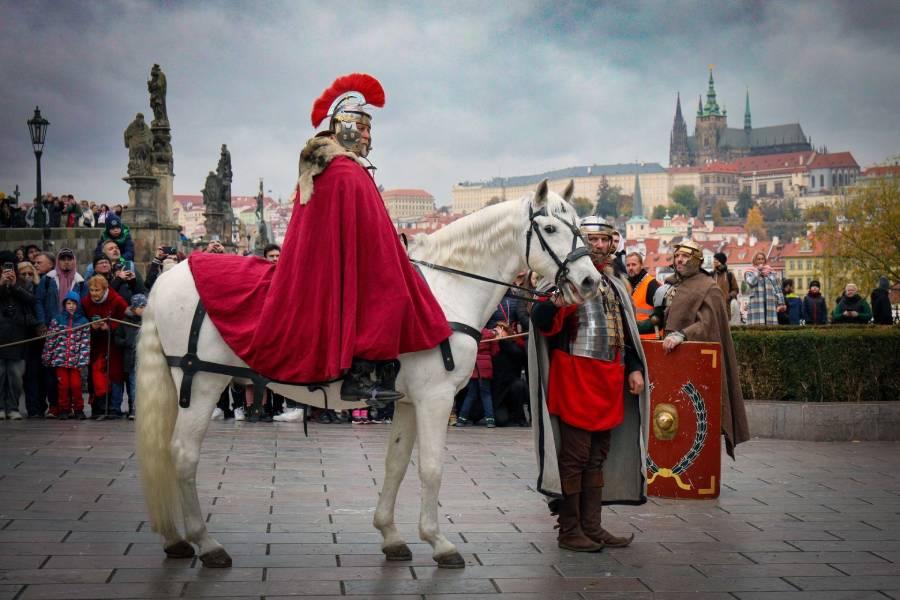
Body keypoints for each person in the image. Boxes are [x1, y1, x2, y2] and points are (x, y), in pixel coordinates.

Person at [188, 73, 450, 404]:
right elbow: (367, 237)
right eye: (363, 127)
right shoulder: (343, 170)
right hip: (327, 271)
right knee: (391, 294)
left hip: (330, 264)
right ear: (346, 127)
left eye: (370, 128)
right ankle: (362, 376)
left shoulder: (339, 167)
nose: (368, 135)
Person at [531, 215, 648, 553]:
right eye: (593, 240)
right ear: (581, 241)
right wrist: (554, 299)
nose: (600, 246)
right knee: (575, 457)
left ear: (614, 244)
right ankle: (569, 530)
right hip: (576, 378)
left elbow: (626, 333)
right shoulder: (567, 281)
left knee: (597, 457)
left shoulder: (615, 285)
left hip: (609, 378)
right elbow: (543, 323)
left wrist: (635, 367)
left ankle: (592, 527)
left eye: (606, 240)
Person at [656, 239, 749, 458]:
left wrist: (683, 334)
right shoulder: (671, 285)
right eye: (677, 255)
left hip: (697, 364)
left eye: (685, 256)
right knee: (671, 417)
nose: (679, 259)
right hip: (671, 362)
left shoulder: (709, 287)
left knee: (697, 416)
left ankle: (700, 465)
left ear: (697, 260)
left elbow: (709, 325)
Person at [80, 276, 128, 419]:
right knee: (97, 375)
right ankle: (99, 407)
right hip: (96, 344)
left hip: (114, 343)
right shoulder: (86, 302)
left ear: (105, 289)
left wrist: (110, 326)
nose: (94, 293)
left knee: (115, 375)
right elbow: (83, 320)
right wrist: (92, 326)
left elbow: (126, 320)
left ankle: (114, 408)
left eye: (97, 290)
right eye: (92, 290)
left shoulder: (117, 300)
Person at [42, 292, 90, 420]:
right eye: (68, 303)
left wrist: (83, 359)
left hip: (75, 362)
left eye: (74, 303)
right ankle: (64, 409)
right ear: (64, 304)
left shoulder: (83, 321)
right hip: (60, 360)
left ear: (78, 305)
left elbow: (85, 342)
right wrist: (48, 356)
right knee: (63, 385)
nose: (71, 306)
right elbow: (51, 340)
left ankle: (79, 409)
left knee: (76, 385)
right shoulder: (57, 320)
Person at [0, 261, 37, 420]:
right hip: (1, 336)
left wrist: (14, 286)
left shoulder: (23, 283)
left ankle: (13, 407)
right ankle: (1, 407)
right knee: (0, 375)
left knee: (15, 377)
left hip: (18, 337)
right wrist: (1, 285)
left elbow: (31, 300)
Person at [455, 327, 500, 428]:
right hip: (485, 366)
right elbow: (495, 352)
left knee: (471, 394)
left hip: (473, 366)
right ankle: (490, 420)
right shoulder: (490, 334)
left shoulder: (470, 333)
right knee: (486, 394)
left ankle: (462, 419)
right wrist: (496, 339)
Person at [114, 293, 145, 420]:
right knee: (133, 386)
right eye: (142, 306)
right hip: (131, 360)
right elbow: (117, 338)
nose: (144, 309)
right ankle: (134, 408)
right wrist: (126, 342)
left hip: (145, 360)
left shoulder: (149, 321)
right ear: (134, 307)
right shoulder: (125, 322)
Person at [625, 252, 660, 340]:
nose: (630, 268)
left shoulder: (651, 284)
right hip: (633, 337)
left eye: (634, 265)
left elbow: (660, 315)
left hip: (649, 338)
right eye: (628, 265)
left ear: (641, 265)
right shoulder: (626, 284)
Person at [744, 251, 785, 325]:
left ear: (765, 260)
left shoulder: (771, 272)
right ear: (755, 260)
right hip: (756, 301)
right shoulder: (750, 271)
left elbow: (777, 288)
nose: (760, 261)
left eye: (762, 259)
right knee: (756, 325)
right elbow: (750, 283)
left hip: (770, 301)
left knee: (770, 326)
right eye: (758, 259)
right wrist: (758, 272)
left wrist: (781, 303)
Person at [711, 252, 739, 321]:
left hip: (727, 306)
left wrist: (729, 296)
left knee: (727, 326)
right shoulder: (711, 274)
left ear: (721, 261)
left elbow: (736, 289)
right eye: (714, 259)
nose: (714, 261)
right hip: (714, 305)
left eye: (716, 259)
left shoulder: (729, 275)